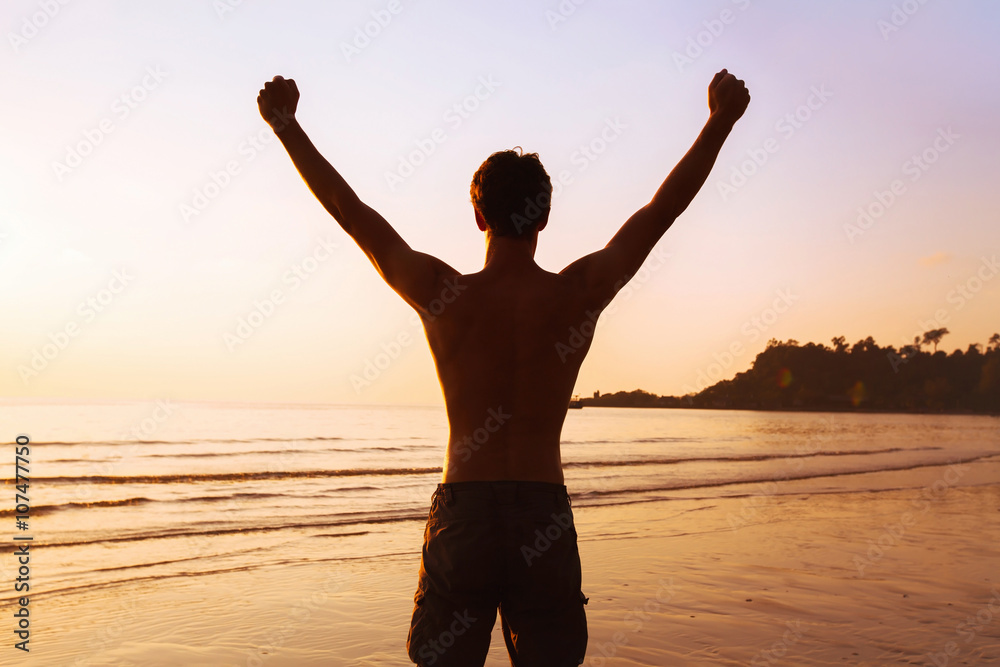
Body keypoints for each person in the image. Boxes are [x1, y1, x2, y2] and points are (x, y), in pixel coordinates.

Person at [258, 68, 750, 666]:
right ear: (544, 220)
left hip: (465, 512)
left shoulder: (441, 294)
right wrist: (719, 122)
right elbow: (661, 211)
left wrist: (287, 127)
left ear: (478, 217)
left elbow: (350, 211)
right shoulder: (578, 294)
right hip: (540, 511)